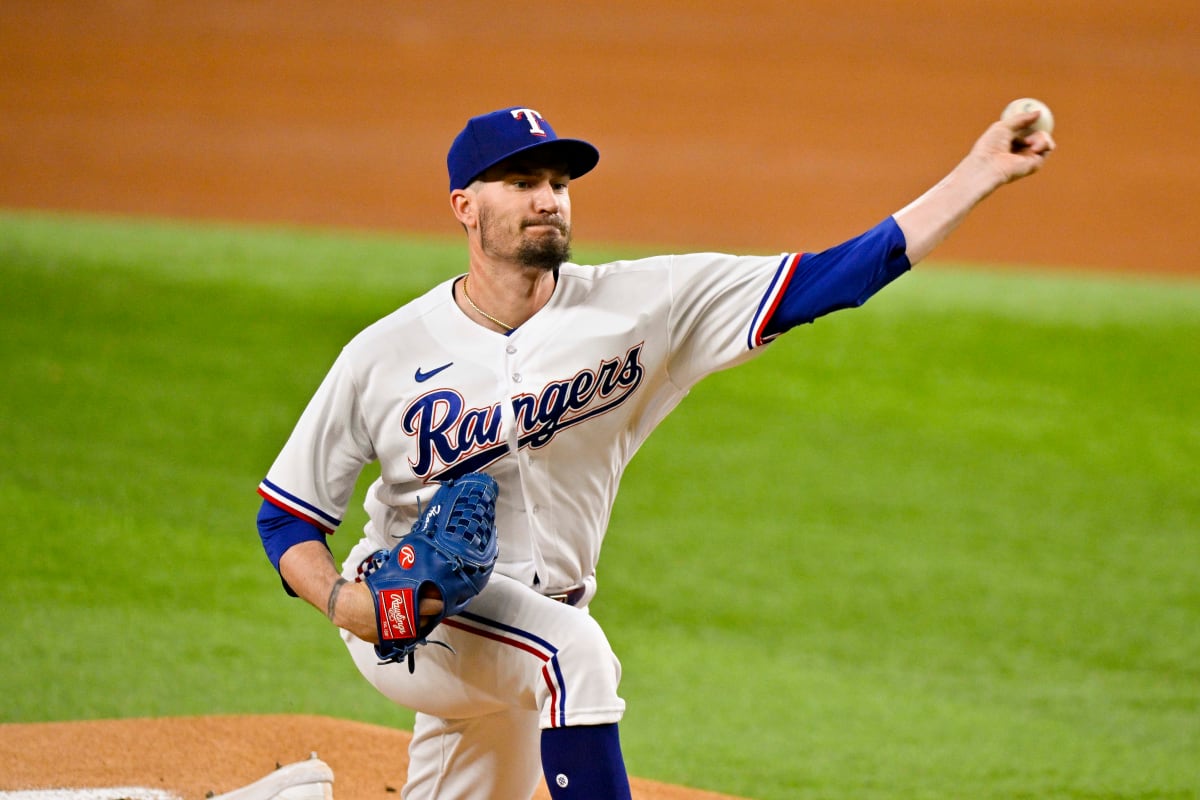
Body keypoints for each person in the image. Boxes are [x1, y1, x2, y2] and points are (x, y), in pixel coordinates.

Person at [256, 104, 1054, 799]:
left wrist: (980, 170)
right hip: (414, 618)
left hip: (521, 636)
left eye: (559, 185)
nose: (547, 200)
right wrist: (343, 603)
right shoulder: (384, 353)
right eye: (522, 182)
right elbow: (286, 518)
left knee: (544, 659)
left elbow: (833, 277)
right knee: (574, 659)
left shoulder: (645, 304)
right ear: (464, 206)